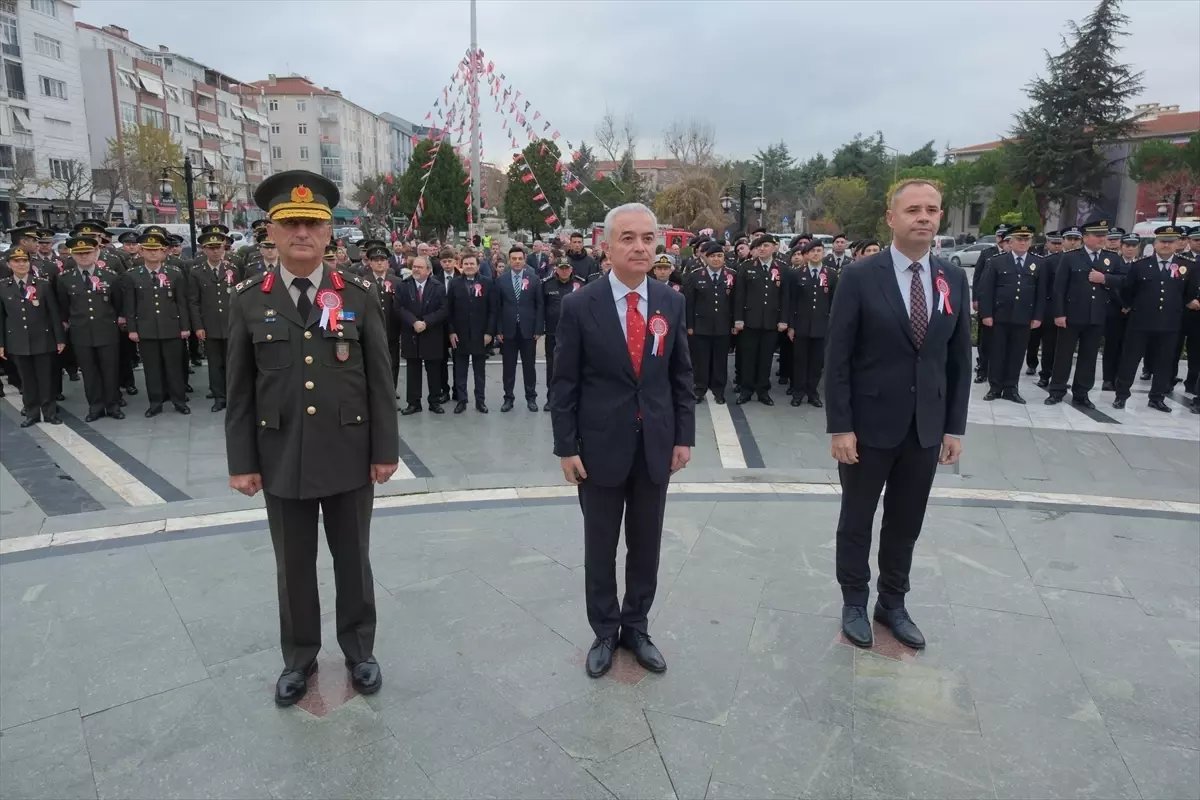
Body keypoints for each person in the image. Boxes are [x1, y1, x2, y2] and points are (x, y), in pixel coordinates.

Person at [225, 169, 399, 705]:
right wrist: (242, 462)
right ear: (270, 232)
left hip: (349, 454)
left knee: (354, 559)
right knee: (293, 566)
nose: (303, 233)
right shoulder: (249, 300)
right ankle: (298, 658)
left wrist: (385, 451)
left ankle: (359, 651)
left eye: (313, 224)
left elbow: (379, 380)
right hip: (281, 457)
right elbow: (239, 390)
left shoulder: (360, 296)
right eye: (291, 223)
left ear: (329, 235)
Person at [550, 202, 695, 678]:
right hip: (598, 449)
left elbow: (680, 375)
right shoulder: (578, 305)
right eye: (628, 238)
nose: (639, 247)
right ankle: (605, 630)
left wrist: (683, 437)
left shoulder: (670, 302)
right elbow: (564, 383)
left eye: (648, 238)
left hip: (655, 445)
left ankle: (636, 625)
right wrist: (566, 447)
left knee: (646, 543)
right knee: (600, 545)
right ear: (606, 246)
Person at [825, 179, 971, 650]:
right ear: (892, 218)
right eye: (913, 210)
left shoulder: (952, 276)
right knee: (857, 518)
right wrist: (840, 425)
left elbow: (958, 360)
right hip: (868, 428)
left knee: (906, 520)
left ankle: (893, 602)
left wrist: (953, 425)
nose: (923, 217)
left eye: (932, 209)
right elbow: (838, 357)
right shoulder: (861, 276)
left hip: (925, 427)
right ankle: (854, 601)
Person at [1108, 225, 1200, 412]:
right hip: (1141, 321)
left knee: (1164, 362)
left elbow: (1188, 294)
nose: (1166, 245)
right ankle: (1121, 395)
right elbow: (1128, 291)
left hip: (1170, 323)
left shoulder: (1187, 266)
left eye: (1171, 242)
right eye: (1162, 241)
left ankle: (1157, 397)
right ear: (1155, 244)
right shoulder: (1140, 265)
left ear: (1177, 244)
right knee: (1130, 360)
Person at [56, 236, 125, 422]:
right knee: (89, 372)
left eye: (87, 252)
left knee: (110, 371)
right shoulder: (64, 279)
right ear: (73, 255)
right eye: (79, 253)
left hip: (107, 331)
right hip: (81, 333)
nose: (84, 256)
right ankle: (95, 407)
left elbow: (118, 304)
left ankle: (113, 406)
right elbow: (63, 307)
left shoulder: (110, 276)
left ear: (96, 253)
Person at [1047, 217, 1113, 409]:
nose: (1102, 238)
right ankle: (1057, 390)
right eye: (1097, 235)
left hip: (1096, 316)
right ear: (1085, 237)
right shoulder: (1070, 257)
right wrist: (1059, 314)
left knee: (1089, 357)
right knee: (1064, 355)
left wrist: (1105, 278)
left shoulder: (1111, 258)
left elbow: (1123, 281)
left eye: (1104, 235)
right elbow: (1059, 288)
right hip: (1072, 315)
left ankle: (1082, 393)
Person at [123, 230, 191, 417]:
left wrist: (185, 327)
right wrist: (132, 329)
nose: (153, 253)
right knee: (152, 369)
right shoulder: (133, 275)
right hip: (146, 330)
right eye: (148, 250)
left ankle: (179, 400)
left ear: (164, 252)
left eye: (157, 250)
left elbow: (181, 302)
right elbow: (130, 305)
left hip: (171, 328)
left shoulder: (175, 274)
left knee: (174, 368)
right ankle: (155, 402)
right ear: (141, 251)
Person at [976, 224, 1046, 404]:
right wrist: (986, 314)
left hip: (1024, 317)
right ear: (1011, 241)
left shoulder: (1038, 263)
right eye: (1019, 239)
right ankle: (995, 387)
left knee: (1016, 354)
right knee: (997, 353)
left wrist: (1038, 316)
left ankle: (1011, 388)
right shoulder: (996, 262)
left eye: (1026, 239)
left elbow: (1041, 293)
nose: (1023, 243)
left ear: (1030, 242)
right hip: (1000, 316)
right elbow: (987, 290)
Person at [0, 246, 65, 426]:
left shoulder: (42, 284)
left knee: (46, 378)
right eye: (16, 261)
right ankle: (32, 413)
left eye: (24, 261)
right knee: (26, 380)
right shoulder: (3, 287)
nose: (21, 264)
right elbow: (1, 318)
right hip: (18, 341)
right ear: (9, 264)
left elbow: (53, 313)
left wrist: (59, 339)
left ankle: (50, 412)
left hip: (43, 339)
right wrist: (1, 344)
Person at [187, 230, 241, 412]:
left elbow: (241, 298)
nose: (216, 252)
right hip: (209, 326)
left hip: (231, 324)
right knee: (215, 364)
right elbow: (193, 302)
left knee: (232, 363)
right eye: (211, 248)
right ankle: (219, 396)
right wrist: (198, 327)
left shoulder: (233, 269)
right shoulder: (196, 272)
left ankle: (233, 395)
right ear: (204, 250)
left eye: (219, 248)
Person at [733, 235, 788, 405]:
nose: (762, 249)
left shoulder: (782, 269)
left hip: (771, 322)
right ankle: (746, 390)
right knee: (748, 357)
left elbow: (785, 297)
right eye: (759, 246)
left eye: (766, 245)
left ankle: (763, 391)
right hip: (750, 321)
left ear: (774, 247)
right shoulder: (747, 267)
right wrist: (738, 319)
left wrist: (783, 320)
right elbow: (739, 296)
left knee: (766, 359)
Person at [683, 241, 735, 404]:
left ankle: (719, 391)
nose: (716, 259)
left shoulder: (731, 275)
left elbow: (736, 302)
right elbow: (689, 303)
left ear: (724, 258)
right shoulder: (695, 275)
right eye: (712, 256)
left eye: (719, 256)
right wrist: (689, 326)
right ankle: (699, 389)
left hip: (723, 326)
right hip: (701, 327)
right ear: (706, 258)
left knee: (720, 361)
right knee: (701, 361)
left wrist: (734, 323)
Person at [787, 239, 837, 408]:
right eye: (812, 251)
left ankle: (812, 393)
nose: (816, 254)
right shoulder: (796, 274)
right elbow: (791, 301)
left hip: (821, 324)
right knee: (800, 360)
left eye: (819, 250)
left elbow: (833, 301)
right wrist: (791, 325)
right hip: (801, 324)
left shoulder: (830, 274)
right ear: (806, 255)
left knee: (817, 362)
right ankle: (798, 392)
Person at [494, 245, 544, 412]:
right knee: (508, 367)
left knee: (529, 366)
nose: (516, 261)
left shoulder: (534, 279)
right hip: (507, 332)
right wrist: (498, 330)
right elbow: (497, 307)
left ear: (524, 260)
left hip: (528, 331)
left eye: (520, 258)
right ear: (509, 260)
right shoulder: (501, 280)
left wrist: (538, 329)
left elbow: (539, 306)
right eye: (514, 259)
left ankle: (531, 397)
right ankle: (508, 398)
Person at [396, 256, 448, 415]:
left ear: (429, 270)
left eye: (420, 267)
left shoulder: (438, 287)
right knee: (413, 370)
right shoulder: (403, 286)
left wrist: (426, 322)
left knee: (433, 369)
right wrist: (414, 322)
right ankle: (413, 403)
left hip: (432, 333)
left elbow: (443, 309)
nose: (416, 269)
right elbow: (398, 307)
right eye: (414, 267)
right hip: (411, 333)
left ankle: (434, 401)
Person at [447, 250, 496, 413]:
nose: (469, 266)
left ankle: (480, 401)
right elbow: (449, 310)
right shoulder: (454, 284)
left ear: (478, 266)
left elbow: (492, 310)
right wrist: (451, 331)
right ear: (461, 265)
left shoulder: (487, 282)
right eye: (466, 264)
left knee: (479, 371)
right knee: (460, 369)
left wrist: (489, 332)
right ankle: (462, 399)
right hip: (459, 334)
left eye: (472, 264)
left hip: (480, 334)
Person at [542, 255, 585, 411]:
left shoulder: (580, 284)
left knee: (574, 365)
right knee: (552, 367)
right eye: (562, 268)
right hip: (553, 333)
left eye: (567, 268)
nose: (564, 271)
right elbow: (542, 308)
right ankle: (551, 399)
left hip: (575, 334)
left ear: (571, 269)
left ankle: (573, 399)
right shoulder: (547, 285)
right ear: (556, 269)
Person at [363, 243, 402, 393]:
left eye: (382, 259)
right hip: (371, 330)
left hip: (392, 330)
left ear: (387, 262)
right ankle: (375, 393)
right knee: (373, 363)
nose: (379, 262)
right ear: (370, 263)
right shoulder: (364, 281)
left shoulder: (397, 282)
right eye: (375, 259)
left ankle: (391, 392)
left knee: (393, 363)